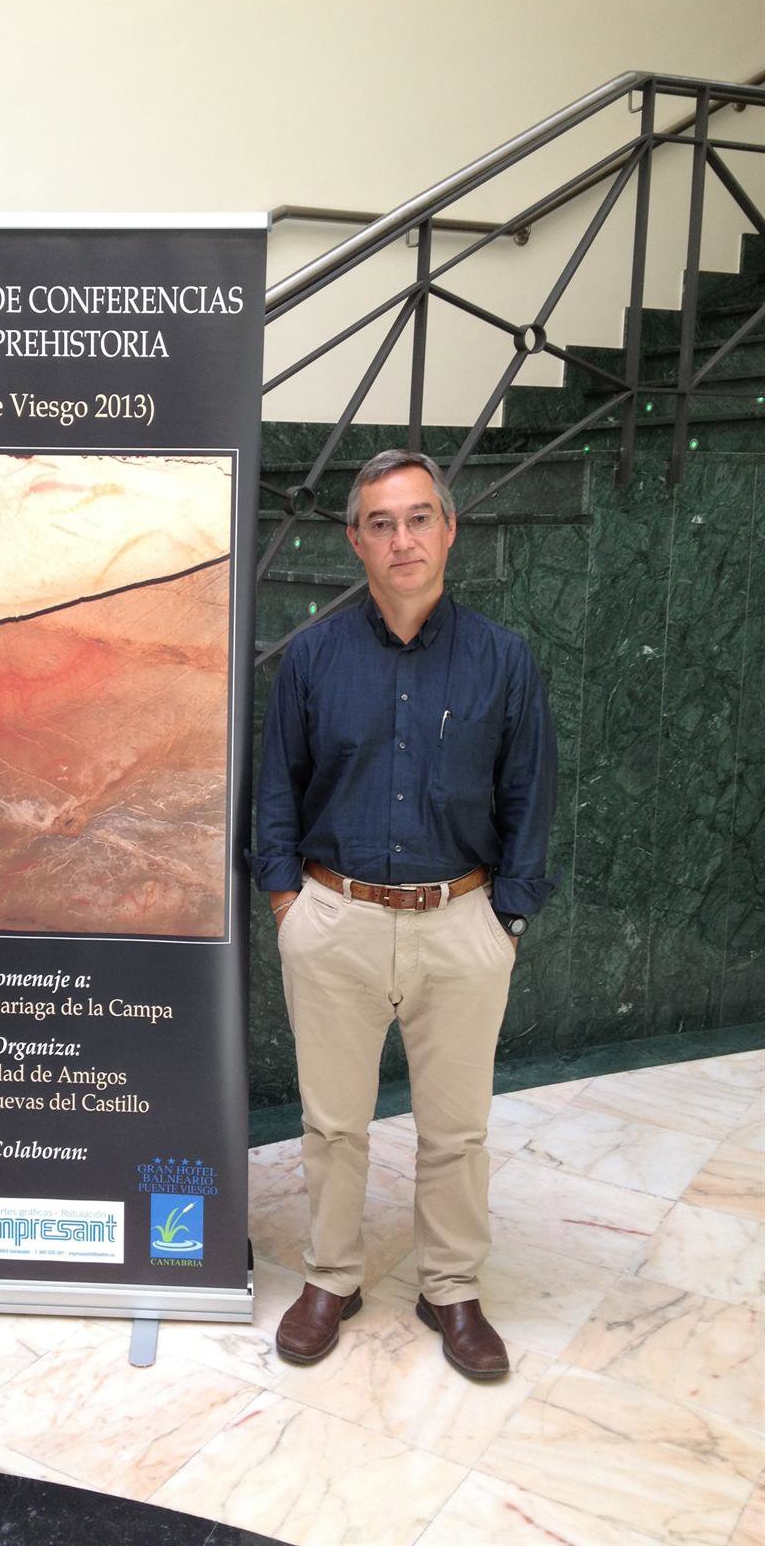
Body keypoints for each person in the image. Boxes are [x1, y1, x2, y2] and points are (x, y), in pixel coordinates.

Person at [253, 449, 557, 1380]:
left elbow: (530, 792)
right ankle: (330, 1277)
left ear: (450, 530)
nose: (402, 539)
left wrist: (507, 919)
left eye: (419, 517)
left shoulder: (503, 658)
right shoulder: (312, 658)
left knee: (456, 1129)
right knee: (333, 1123)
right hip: (334, 920)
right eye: (381, 523)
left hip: (461, 921)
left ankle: (451, 1290)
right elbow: (277, 789)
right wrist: (288, 905)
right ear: (356, 541)